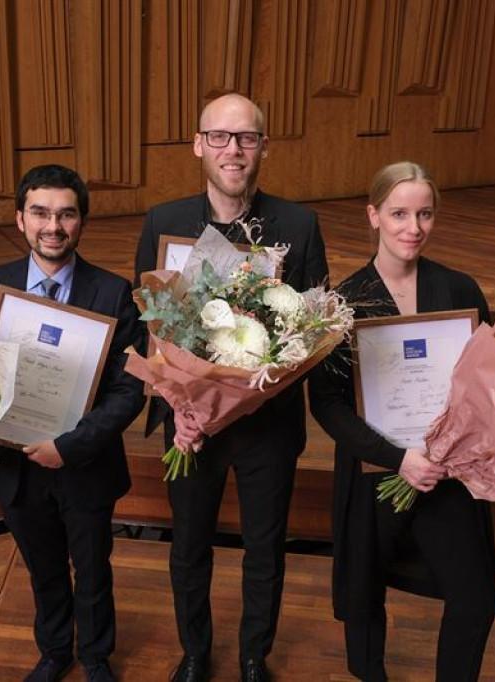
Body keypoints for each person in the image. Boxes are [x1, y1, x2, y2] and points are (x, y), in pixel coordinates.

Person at [133, 93, 329, 682]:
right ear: (199, 145)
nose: (233, 150)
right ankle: (195, 653)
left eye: (245, 138)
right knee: (189, 545)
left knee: (265, 548)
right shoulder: (162, 222)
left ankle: (252, 658)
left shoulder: (299, 225)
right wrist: (180, 406)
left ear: (264, 147)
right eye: (219, 136)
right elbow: (152, 326)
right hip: (190, 425)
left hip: (268, 422)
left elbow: (312, 332)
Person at [308, 161, 495, 681]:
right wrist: (398, 459)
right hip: (376, 471)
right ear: (373, 215)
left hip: (447, 471)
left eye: (424, 214)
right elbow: (326, 403)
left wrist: (449, 449)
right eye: (399, 214)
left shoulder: (460, 291)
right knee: (364, 597)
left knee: (475, 598)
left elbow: (489, 383)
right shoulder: (342, 304)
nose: (413, 228)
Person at [0, 165, 145, 682]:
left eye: (66, 214)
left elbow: (128, 391)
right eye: (41, 213)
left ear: (82, 222)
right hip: (16, 464)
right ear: (20, 219)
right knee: (43, 568)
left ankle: (95, 656)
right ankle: (54, 652)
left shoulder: (113, 292)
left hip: (83, 463)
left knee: (92, 570)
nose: (53, 226)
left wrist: (68, 446)